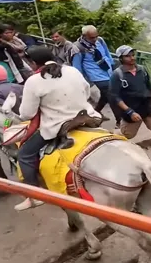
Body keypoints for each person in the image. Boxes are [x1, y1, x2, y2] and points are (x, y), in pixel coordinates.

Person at [14, 47, 100, 212]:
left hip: (57, 125)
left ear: (32, 63)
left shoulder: (34, 80)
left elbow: (26, 114)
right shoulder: (72, 70)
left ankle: (34, 196)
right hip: (87, 117)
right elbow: (87, 91)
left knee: (24, 154)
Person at [108, 45, 151, 165]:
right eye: (127, 56)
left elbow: (149, 86)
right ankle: (112, 137)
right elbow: (115, 96)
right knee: (127, 135)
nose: (132, 58)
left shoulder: (142, 70)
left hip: (148, 106)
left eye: (132, 55)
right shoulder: (117, 75)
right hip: (132, 109)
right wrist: (129, 111)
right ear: (121, 58)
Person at [71, 26, 116, 121]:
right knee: (111, 95)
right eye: (92, 38)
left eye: (96, 36)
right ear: (84, 36)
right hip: (96, 75)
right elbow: (77, 66)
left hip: (107, 71)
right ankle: (119, 120)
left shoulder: (100, 41)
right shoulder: (78, 47)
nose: (95, 39)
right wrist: (80, 80)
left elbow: (107, 53)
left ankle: (96, 112)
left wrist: (112, 65)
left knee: (105, 95)